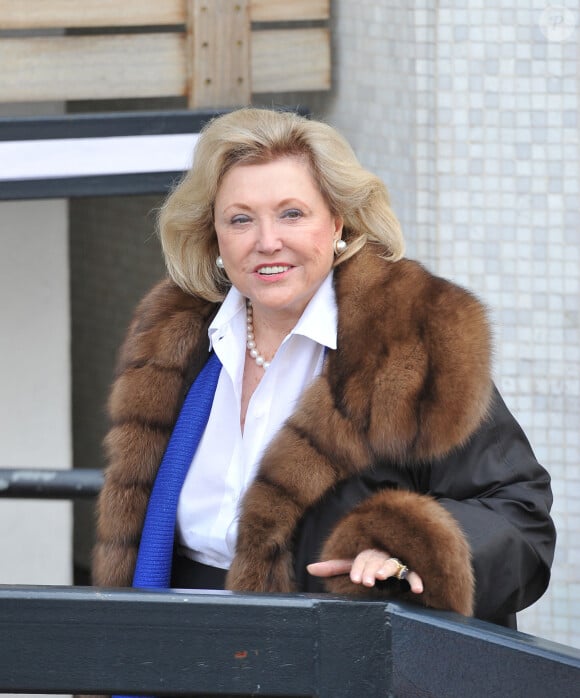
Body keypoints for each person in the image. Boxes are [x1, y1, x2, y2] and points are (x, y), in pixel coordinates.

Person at [93, 107, 556, 628]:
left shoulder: (409, 340)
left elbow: (520, 514)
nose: (267, 241)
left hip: (341, 659)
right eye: (241, 218)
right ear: (214, 235)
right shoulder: (173, 339)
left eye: (292, 213)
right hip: (174, 652)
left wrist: (410, 553)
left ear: (337, 221)